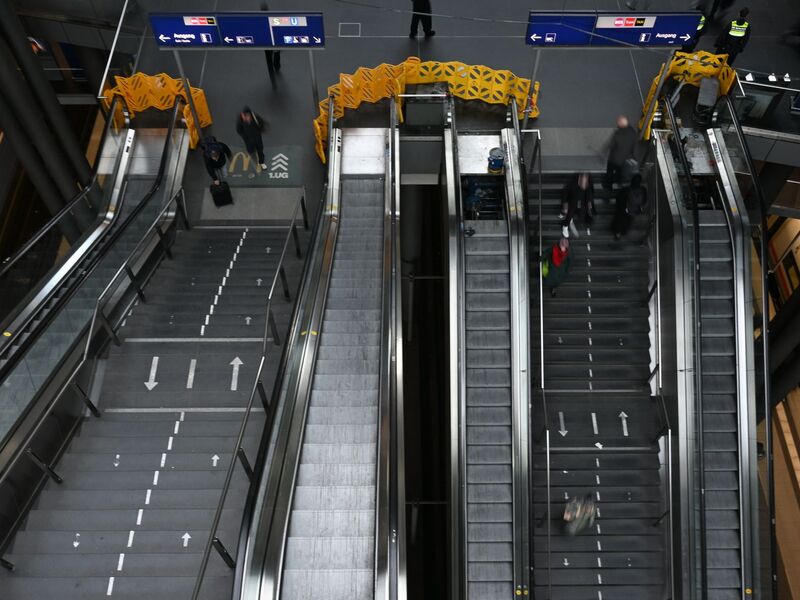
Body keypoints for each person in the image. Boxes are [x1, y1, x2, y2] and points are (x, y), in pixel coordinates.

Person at [603, 115, 637, 192]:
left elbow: (610, 145)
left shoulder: (618, 133)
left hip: (614, 159)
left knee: (610, 172)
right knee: (619, 172)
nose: (617, 123)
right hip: (624, 159)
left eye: (618, 122)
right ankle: (619, 184)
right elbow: (634, 146)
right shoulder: (632, 132)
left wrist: (604, 151)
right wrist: (634, 157)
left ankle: (608, 186)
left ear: (621, 124)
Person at [612, 173, 648, 240]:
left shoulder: (640, 190)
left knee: (623, 219)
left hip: (631, 210)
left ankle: (619, 232)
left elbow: (644, 201)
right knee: (623, 219)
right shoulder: (640, 190)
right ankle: (620, 232)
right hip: (630, 211)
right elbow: (643, 201)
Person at [561, 172, 595, 237]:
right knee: (571, 211)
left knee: (584, 212)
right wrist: (565, 203)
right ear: (579, 179)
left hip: (582, 200)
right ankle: (565, 226)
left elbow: (590, 193)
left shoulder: (589, 184)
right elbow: (565, 192)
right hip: (573, 200)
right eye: (582, 184)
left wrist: (589, 202)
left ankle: (586, 225)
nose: (584, 186)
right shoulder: (572, 183)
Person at [236, 106, 268, 171]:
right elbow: (239, 129)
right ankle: (256, 162)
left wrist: (259, 131)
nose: (246, 117)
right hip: (248, 140)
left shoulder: (255, 117)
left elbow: (261, 123)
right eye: (244, 116)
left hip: (257, 138)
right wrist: (245, 136)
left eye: (248, 115)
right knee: (251, 152)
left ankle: (262, 162)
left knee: (260, 151)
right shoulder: (240, 120)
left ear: (250, 114)